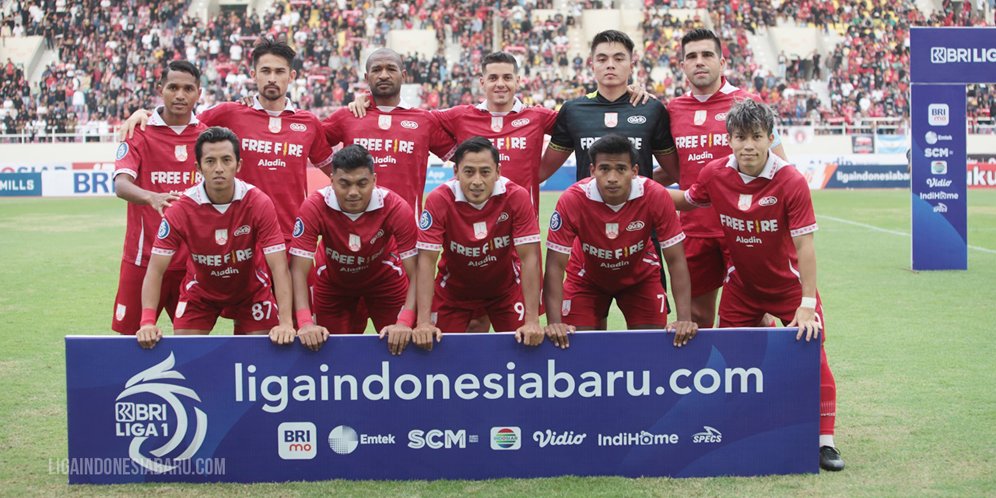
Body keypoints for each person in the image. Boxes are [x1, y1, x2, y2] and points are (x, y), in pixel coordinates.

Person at [668, 99, 844, 472]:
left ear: (769, 138)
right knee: (732, 361)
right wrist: (636, 188)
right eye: (740, 137)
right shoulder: (715, 173)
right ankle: (740, 428)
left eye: (756, 137)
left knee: (815, 354)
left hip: (789, 289)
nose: (748, 145)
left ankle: (825, 441)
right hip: (742, 287)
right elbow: (686, 200)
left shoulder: (791, 180)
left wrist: (807, 304)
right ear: (728, 139)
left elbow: (805, 246)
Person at [121, 37, 334, 243]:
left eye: (279, 72)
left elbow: (336, 172)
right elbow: (181, 122)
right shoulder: (230, 113)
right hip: (239, 238)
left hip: (290, 234)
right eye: (265, 71)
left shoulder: (308, 123)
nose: (272, 78)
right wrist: (146, 115)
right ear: (253, 74)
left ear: (292, 76)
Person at [657, 28, 787, 328]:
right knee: (697, 319)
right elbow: (681, 167)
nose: (699, 62)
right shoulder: (674, 109)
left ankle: (756, 376)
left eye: (707, 55)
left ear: (722, 62)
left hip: (744, 228)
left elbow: (779, 163)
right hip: (693, 229)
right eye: (691, 56)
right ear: (682, 65)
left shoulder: (747, 102)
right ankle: (706, 377)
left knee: (754, 317)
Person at [136, 127, 295, 348]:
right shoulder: (180, 209)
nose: (219, 168)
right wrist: (147, 322)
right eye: (210, 161)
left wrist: (286, 322)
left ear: (238, 165)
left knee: (263, 354)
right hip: (200, 293)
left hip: (251, 292)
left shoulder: (258, 202)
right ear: (198, 167)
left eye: (226, 160)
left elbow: (279, 267)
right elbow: (155, 269)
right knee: (185, 354)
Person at [543, 134, 695, 348]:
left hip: (640, 277)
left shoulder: (655, 195)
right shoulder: (573, 199)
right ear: (592, 170)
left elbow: (676, 259)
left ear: (634, 171)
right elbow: (555, 265)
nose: (612, 177)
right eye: (604, 168)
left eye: (621, 169)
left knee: (650, 346)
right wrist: (554, 322)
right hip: (585, 277)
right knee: (578, 347)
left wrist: (684, 318)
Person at [413, 137, 543, 348]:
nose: (476, 181)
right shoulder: (439, 199)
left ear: (498, 171)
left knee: (525, 350)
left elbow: (529, 258)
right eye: (469, 171)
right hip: (452, 293)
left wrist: (532, 320)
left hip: (505, 291)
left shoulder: (516, 197)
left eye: (485, 172)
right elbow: (426, 261)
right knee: (436, 353)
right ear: (455, 171)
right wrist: (424, 322)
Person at [288, 145, 419, 355]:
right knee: (330, 354)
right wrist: (304, 322)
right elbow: (298, 270)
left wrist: (404, 321)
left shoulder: (395, 206)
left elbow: (417, 272)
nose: (353, 192)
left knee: (404, 348)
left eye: (362, 183)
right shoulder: (314, 206)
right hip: (333, 285)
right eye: (344, 183)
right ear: (331, 180)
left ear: (374, 180)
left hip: (386, 282)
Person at [111, 60, 206, 335]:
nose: (180, 95)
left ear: (198, 93)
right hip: (143, 257)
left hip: (190, 262)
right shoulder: (138, 132)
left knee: (192, 341)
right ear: (160, 88)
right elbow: (121, 185)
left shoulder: (206, 135)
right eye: (173, 87)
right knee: (129, 340)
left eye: (188, 89)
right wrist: (152, 197)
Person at [322, 48, 456, 211]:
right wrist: (334, 172)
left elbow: (464, 158)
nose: (384, 75)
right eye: (377, 70)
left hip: (406, 229)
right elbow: (310, 141)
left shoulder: (424, 120)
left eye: (391, 69)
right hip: (354, 226)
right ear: (366, 77)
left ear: (404, 75)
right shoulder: (348, 115)